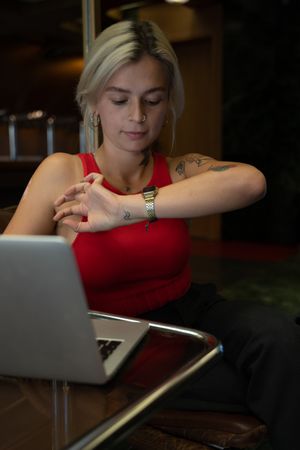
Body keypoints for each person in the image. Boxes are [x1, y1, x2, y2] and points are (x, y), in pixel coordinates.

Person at [4, 20, 299, 450]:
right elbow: (6, 275)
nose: (137, 117)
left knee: (281, 341)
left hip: (188, 311)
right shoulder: (63, 172)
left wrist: (124, 209)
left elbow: (251, 182)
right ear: (93, 102)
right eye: (120, 100)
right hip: (113, 334)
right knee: (275, 378)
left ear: (169, 103)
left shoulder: (178, 170)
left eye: (153, 100)